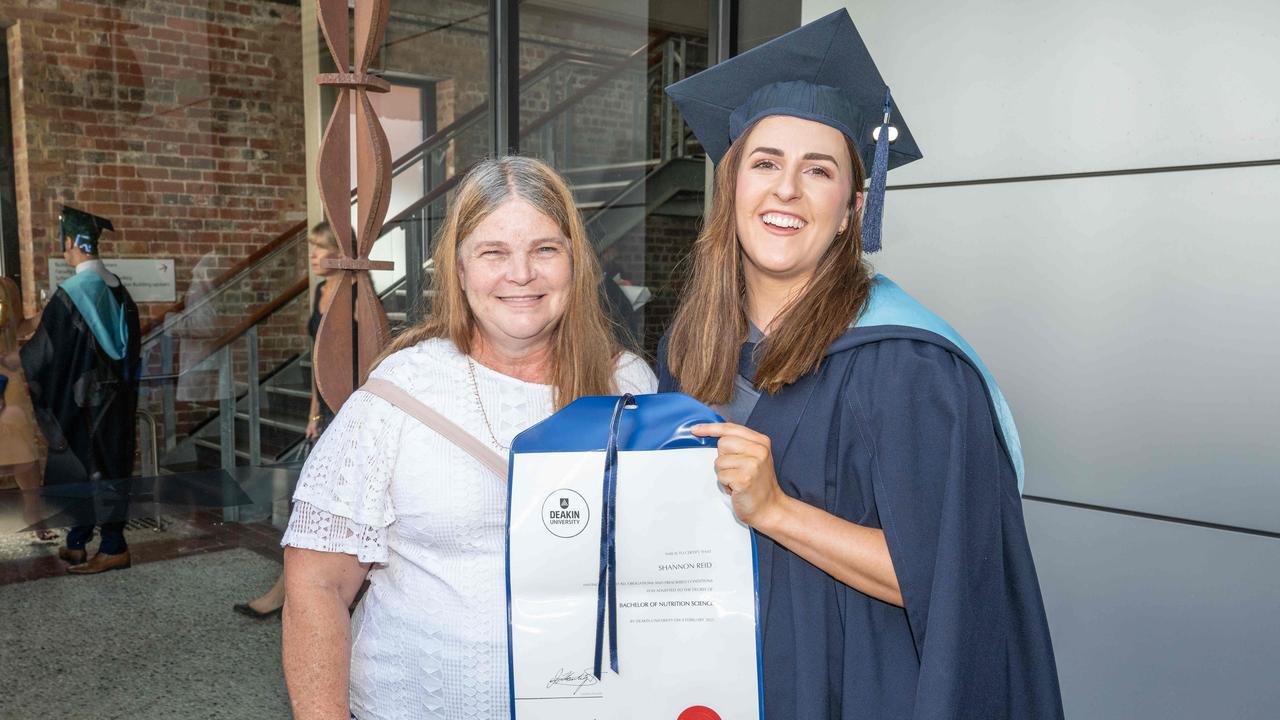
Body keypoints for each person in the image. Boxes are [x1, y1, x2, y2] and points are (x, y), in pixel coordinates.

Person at [659, 11, 1063, 719]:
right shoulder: (688, 349)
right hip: (717, 684)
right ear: (732, 189)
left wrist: (777, 510)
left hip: (855, 688)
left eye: (817, 171)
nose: (786, 190)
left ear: (851, 208)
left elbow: (949, 578)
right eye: (765, 163)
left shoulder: (909, 365)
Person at [280, 156, 657, 720]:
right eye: (493, 252)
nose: (521, 274)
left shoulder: (629, 386)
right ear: (457, 268)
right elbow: (316, 584)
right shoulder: (398, 395)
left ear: (577, 263)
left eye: (545, 249)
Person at [21, 206, 141, 575]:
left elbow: (41, 356)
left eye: (65, 243)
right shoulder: (119, 290)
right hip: (115, 401)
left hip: (82, 401)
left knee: (85, 468)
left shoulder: (70, 293)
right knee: (106, 466)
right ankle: (78, 541)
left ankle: (113, 547)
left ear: (71, 243)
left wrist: (17, 354)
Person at [234, 222, 340, 619]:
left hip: (352, 410)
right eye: (311, 249)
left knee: (313, 507)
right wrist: (314, 410)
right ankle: (288, 593)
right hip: (327, 411)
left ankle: (288, 594)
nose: (312, 257)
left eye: (319, 249)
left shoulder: (357, 295)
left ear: (339, 251)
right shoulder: (320, 291)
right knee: (308, 505)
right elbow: (317, 358)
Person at [0, 276, 56, 541]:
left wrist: (42, 316)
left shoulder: (5, 286)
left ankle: (33, 514)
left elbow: (18, 327)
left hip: (7, 379)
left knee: (23, 451)